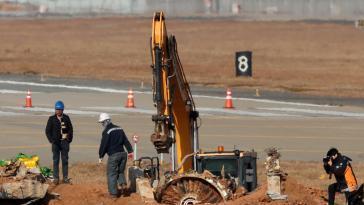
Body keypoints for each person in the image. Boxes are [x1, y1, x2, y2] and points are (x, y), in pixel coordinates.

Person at [98, 113, 133, 198]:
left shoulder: (107, 131)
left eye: (103, 122)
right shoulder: (119, 128)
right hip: (123, 154)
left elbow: (104, 145)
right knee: (120, 172)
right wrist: (130, 151)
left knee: (111, 174)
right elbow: (126, 141)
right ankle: (123, 187)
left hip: (114, 155)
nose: (102, 124)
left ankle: (113, 194)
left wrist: (100, 156)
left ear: (107, 121)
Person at [45, 100, 73, 185]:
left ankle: (65, 178)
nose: (58, 111)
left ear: (63, 110)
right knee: (56, 161)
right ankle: (56, 178)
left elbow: (71, 129)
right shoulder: (51, 119)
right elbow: (47, 131)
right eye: (57, 109)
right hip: (55, 144)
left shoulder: (66, 118)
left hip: (65, 142)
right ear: (55, 109)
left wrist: (69, 140)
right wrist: (51, 141)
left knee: (65, 161)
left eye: (60, 109)